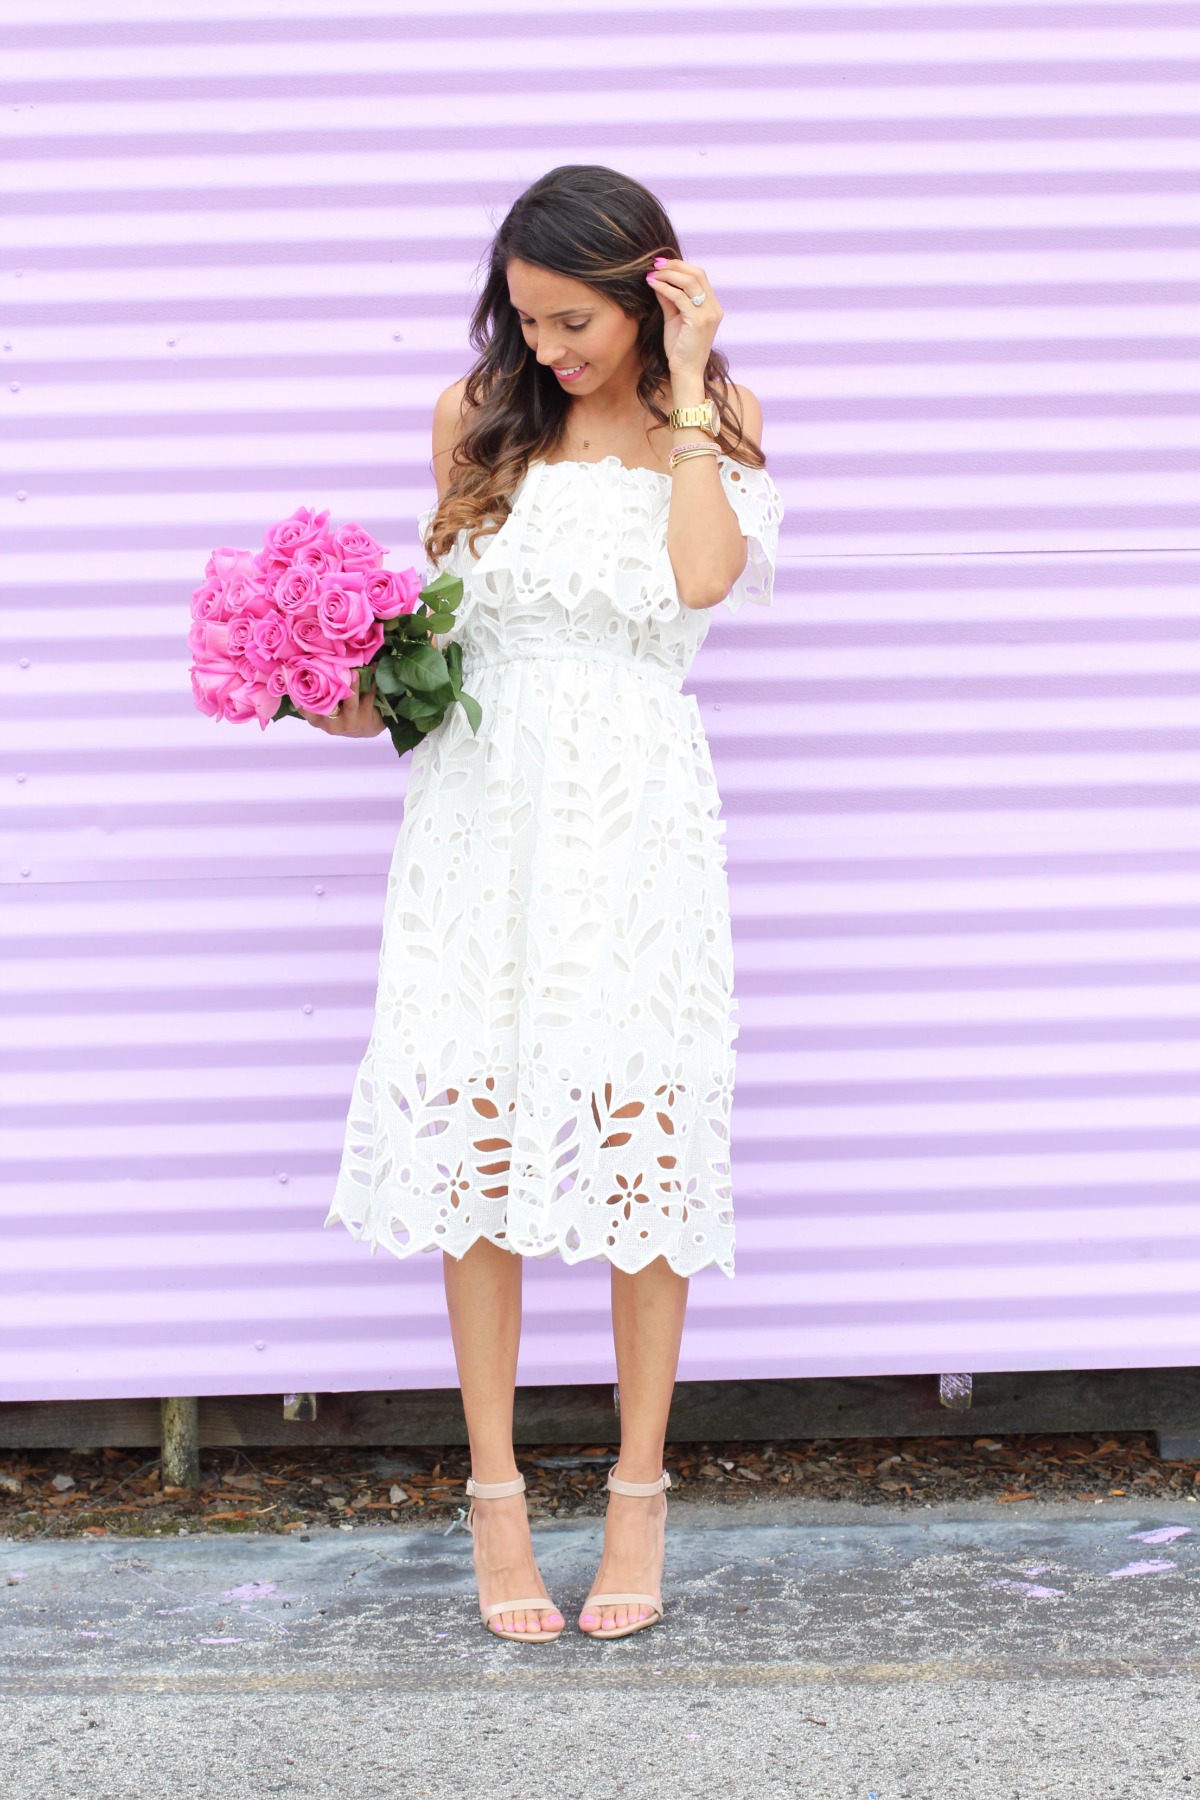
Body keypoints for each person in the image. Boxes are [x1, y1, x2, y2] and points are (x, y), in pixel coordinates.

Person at [299, 165, 784, 1643]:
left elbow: (701, 581)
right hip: (477, 818)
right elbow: (437, 641)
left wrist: (689, 389)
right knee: (481, 1139)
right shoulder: (473, 420)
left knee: (641, 1135)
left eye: (575, 319)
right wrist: (329, 684)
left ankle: (638, 1495)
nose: (551, 347)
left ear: (651, 296)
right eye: (528, 318)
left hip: (634, 820)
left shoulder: (710, 426)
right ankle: (496, 1501)